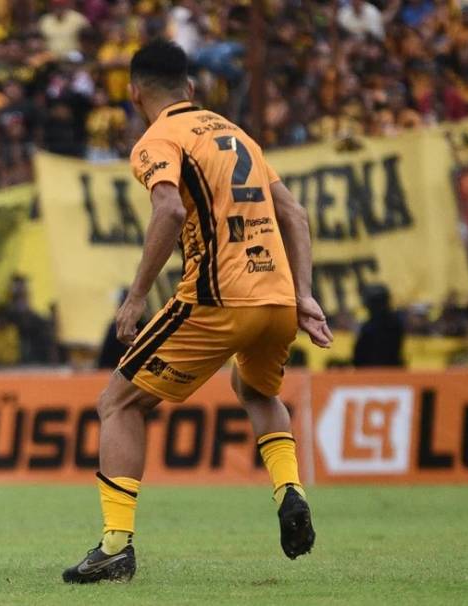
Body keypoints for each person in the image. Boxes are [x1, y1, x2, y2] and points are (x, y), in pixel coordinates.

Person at [62, 40, 333, 584]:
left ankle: (115, 546)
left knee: (117, 403)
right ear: (190, 87)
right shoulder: (237, 134)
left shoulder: (158, 138)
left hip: (217, 296)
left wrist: (137, 295)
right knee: (256, 391)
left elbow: (167, 207)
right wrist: (304, 295)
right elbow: (295, 215)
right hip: (278, 297)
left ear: (134, 92)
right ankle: (290, 491)